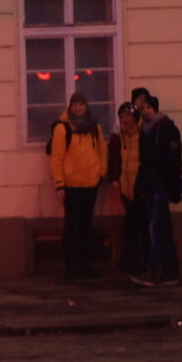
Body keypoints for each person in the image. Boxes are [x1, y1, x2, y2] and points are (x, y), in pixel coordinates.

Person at [48, 93, 108, 279]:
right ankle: (70, 267)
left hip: (90, 183)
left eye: (82, 104)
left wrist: (101, 173)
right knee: (72, 227)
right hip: (71, 185)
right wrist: (60, 184)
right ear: (70, 107)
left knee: (86, 226)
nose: (79, 108)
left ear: (86, 106)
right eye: (75, 104)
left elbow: (102, 150)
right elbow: (56, 158)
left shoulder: (93, 125)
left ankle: (85, 266)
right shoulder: (62, 127)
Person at [133, 93, 182, 287]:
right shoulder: (145, 130)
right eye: (143, 108)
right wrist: (140, 184)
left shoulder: (166, 127)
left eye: (148, 108)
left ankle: (155, 270)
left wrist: (172, 185)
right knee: (160, 228)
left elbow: (173, 158)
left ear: (155, 109)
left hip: (161, 185)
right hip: (150, 184)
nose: (145, 111)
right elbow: (143, 161)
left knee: (156, 228)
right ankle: (169, 271)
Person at [110, 101, 147, 279]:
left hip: (140, 187)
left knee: (142, 227)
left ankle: (143, 262)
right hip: (127, 188)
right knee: (130, 227)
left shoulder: (143, 134)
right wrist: (116, 179)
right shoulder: (120, 137)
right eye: (122, 117)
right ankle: (130, 261)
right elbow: (116, 160)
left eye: (128, 116)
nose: (125, 120)